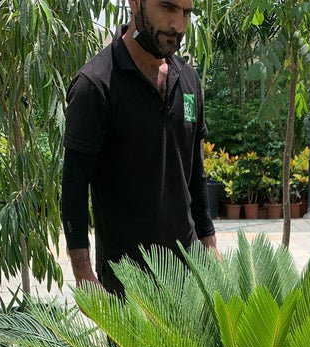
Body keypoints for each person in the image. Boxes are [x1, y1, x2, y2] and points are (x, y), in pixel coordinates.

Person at [61, 0, 219, 295]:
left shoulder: (188, 80)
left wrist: (208, 241)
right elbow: (74, 186)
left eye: (186, 13)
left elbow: (195, 172)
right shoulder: (95, 85)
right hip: (128, 278)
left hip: (190, 268)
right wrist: (82, 272)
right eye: (168, 8)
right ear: (135, 3)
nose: (179, 26)